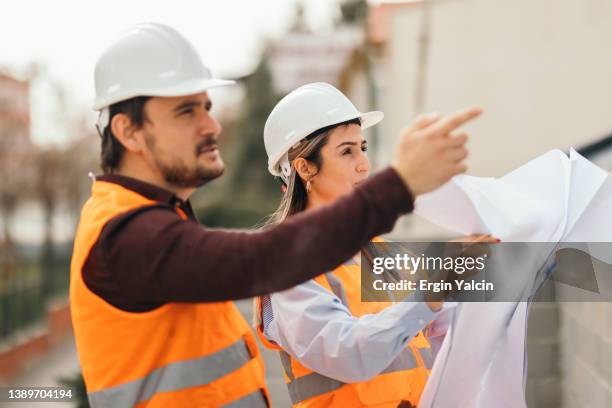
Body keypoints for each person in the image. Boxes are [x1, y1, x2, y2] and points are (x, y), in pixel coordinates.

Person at [70, 23, 482, 407]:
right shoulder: (126, 236)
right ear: (128, 131)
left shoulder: (159, 223)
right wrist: (401, 184)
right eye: (186, 111)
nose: (211, 124)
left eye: (207, 106)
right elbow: (263, 260)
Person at [254, 82, 496, 407]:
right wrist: (433, 291)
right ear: (304, 167)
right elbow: (348, 353)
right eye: (346, 151)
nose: (364, 164)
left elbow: (438, 322)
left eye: (362, 147)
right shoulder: (286, 266)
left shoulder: (379, 248)